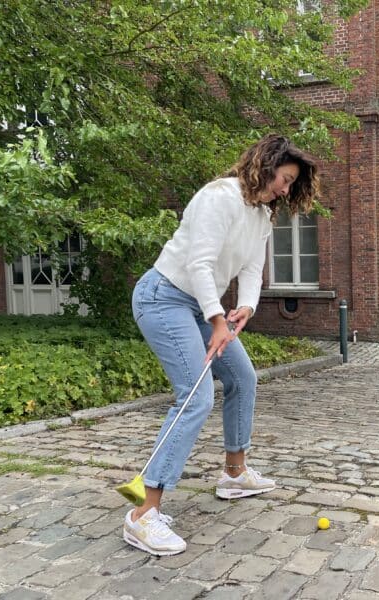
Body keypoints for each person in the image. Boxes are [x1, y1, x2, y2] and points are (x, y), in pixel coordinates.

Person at [123, 134, 319, 556]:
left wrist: (246, 306)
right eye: (284, 179)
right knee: (195, 398)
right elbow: (199, 263)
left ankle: (234, 473)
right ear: (265, 166)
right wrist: (216, 320)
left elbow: (251, 267)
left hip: (199, 305)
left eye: (291, 184)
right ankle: (143, 513)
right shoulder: (219, 196)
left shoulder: (261, 215)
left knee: (243, 378)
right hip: (164, 298)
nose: (286, 190)